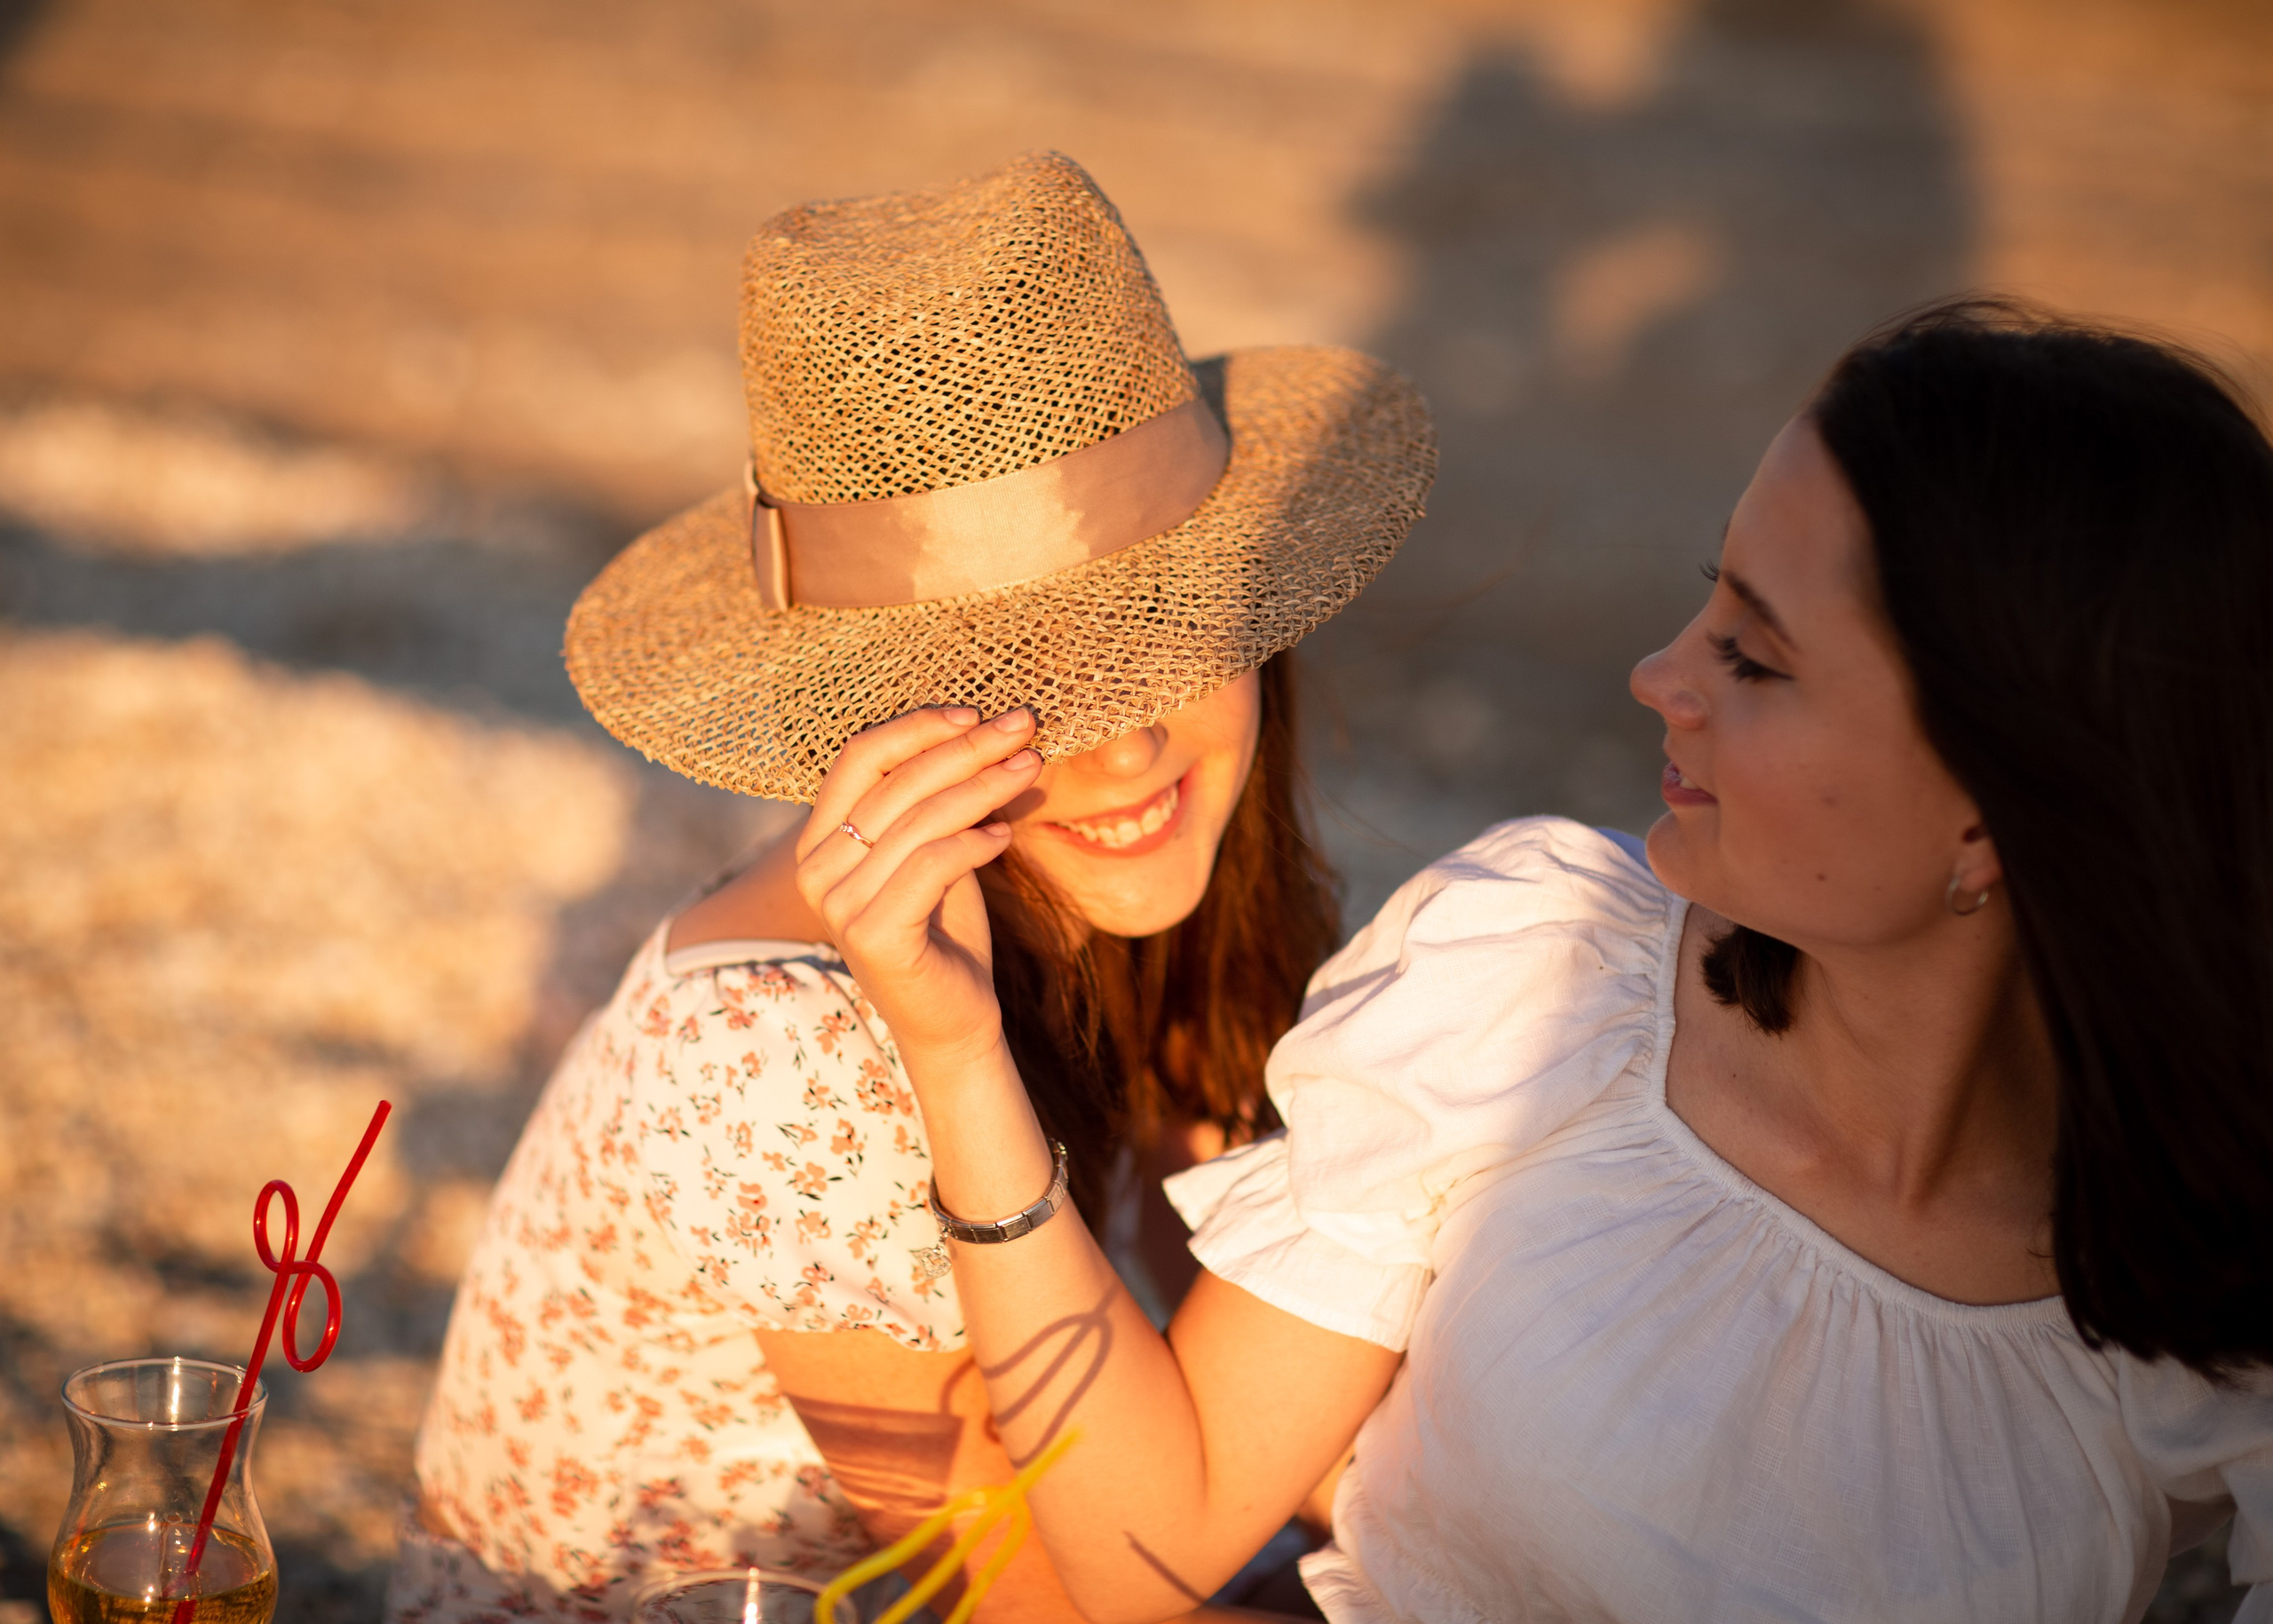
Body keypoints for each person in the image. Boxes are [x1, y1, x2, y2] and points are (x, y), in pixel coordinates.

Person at [805, 299, 2273, 1622]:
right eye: (1710, 598)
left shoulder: (2204, 1269)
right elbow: (1152, 1540)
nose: (1661, 675)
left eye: (1755, 657)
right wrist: (956, 1047)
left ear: (1999, 805)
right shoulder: (1537, 978)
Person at [382, 151, 1434, 1623]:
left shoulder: (1127, 907)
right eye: (1019, 684)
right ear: (858, 715)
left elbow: (1265, 1408)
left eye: (1160, 635)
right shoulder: (781, 1058)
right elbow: (1046, 1608)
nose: (1126, 745)